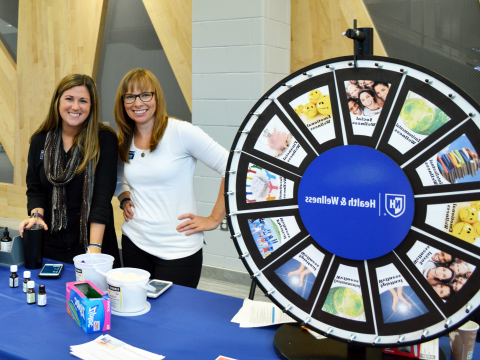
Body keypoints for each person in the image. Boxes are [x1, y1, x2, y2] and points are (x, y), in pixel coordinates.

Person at [114, 68, 228, 288]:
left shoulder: (181, 132)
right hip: (134, 242)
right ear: (123, 102)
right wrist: (124, 197)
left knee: (174, 319)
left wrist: (214, 219)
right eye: (130, 97)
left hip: (179, 251)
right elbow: (118, 175)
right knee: (138, 317)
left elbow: (233, 167)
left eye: (145, 95)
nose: (138, 103)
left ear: (157, 97)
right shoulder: (124, 138)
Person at [20, 74, 120, 266]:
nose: (75, 107)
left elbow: (101, 198)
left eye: (83, 101)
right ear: (58, 101)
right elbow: (35, 189)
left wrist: (94, 248)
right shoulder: (40, 140)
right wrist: (37, 218)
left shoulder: (104, 139)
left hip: (91, 242)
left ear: (92, 106)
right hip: (50, 242)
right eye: (69, 99)